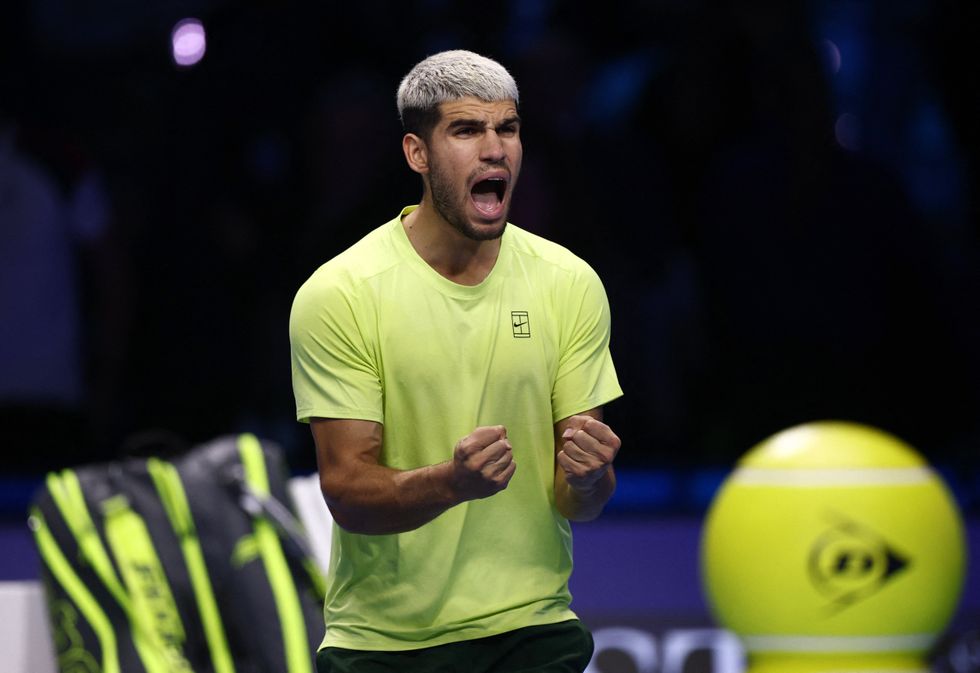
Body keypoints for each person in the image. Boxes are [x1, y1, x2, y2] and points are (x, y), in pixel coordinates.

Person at [289, 49, 623, 673]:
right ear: (417, 153)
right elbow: (347, 492)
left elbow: (581, 499)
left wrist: (588, 478)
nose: (495, 150)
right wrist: (452, 482)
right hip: (383, 647)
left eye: (508, 128)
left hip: (534, 631)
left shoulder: (569, 282)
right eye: (467, 130)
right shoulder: (340, 294)